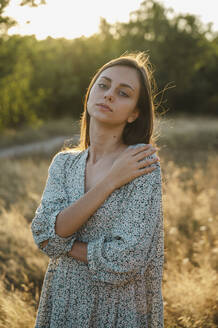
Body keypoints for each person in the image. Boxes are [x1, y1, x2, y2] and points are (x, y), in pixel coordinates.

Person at [31, 52, 164, 328]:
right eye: (103, 85)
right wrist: (110, 182)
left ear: (135, 114)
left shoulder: (142, 165)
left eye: (123, 93)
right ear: (90, 92)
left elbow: (126, 260)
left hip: (117, 309)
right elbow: (42, 233)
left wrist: (62, 244)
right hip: (63, 301)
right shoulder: (64, 164)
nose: (109, 95)